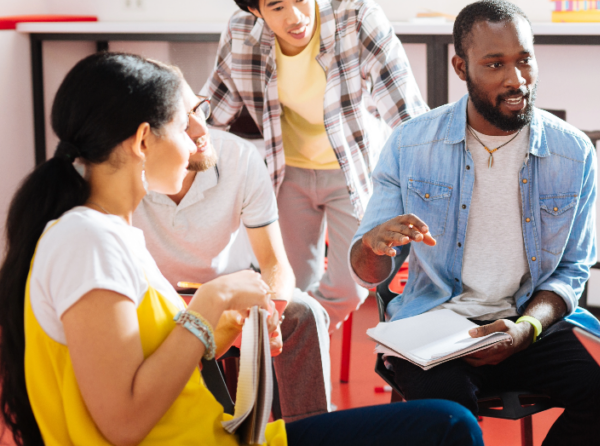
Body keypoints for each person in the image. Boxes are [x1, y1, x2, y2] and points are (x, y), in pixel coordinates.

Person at [0, 52, 482, 446]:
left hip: (224, 434)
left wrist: (220, 332)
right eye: (186, 118)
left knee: (447, 422)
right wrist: (209, 304)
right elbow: (122, 424)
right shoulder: (87, 239)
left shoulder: (107, 235)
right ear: (144, 140)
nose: (197, 135)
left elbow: (147, 365)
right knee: (448, 427)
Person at [348, 0, 600, 446]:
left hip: (527, 325)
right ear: (461, 68)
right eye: (495, 64)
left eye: (524, 60)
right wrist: (371, 247)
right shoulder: (411, 144)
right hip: (435, 326)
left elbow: (572, 270)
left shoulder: (572, 152)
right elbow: (369, 270)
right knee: (450, 423)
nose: (515, 79)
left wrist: (526, 328)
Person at [202, 0, 429, 332]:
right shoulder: (241, 34)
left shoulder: (356, 16)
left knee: (353, 283)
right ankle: (296, 373)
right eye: (276, 7)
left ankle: (293, 339)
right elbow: (213, 110)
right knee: (290, 286)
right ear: (254, 10)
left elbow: (405, 110)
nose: (295, 16)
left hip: (354, 175)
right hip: (287, 174)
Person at [133, 76, 335, 422]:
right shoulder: (122, 179)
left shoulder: (238, 157)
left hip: (235, 293)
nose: (202, 129)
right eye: (183, 123)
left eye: (200, 109)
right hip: (156, 302)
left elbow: (275, 262)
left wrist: (273, 311)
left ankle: (309, 431)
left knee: (305, 313)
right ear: (144, 139)